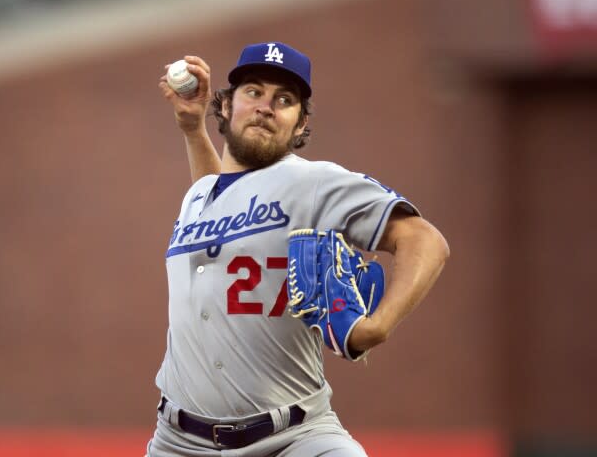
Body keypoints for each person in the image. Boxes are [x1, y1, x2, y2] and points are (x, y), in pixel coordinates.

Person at [147, 42, 450, 456]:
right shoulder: (200, 196)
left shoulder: (315, 183)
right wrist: (192, 130)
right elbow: (222, 210)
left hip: (293, 437)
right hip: (178, 442)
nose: (266, 106)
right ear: (225, 106)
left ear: (300, 124)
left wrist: (376, 327)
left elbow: (424, 239)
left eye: (284, 100)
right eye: (253, 92)